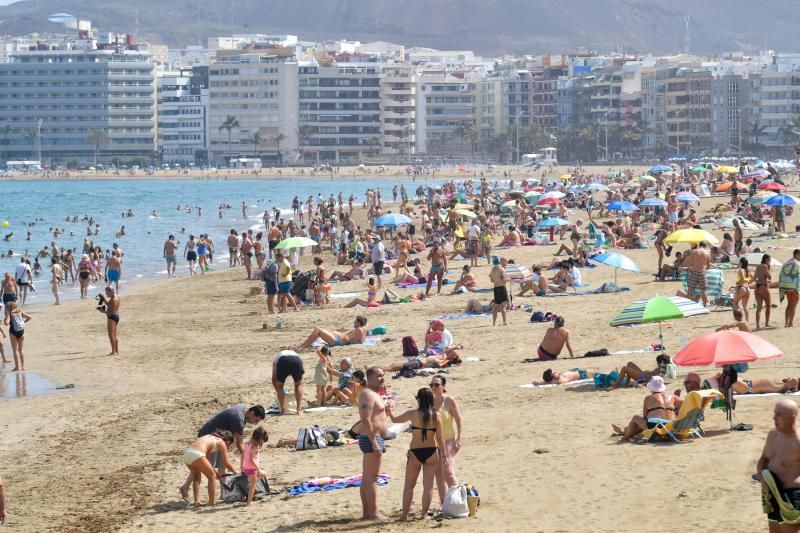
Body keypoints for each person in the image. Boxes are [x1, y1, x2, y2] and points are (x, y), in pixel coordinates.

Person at [179, 404, 266, 500]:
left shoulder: (242, 409)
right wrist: (248, 461)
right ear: (252, 412)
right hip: (209, 437)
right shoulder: (239, 419)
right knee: (204, 467)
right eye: (256, 420)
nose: (255, 423)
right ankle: (186, 487)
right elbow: (240, 444)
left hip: (223, 439)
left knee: (222, 467)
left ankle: (224, 494)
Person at [385, 387, 447, 521]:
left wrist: (389, 411)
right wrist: (444, 455)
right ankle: (424, 515)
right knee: (428, 486)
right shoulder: (437, 415)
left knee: (409, 486)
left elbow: (395, 420)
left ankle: (404, 515)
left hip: (415, 453)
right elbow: (441, 438)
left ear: (419, 399)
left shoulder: (412, 414)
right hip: (431, 452)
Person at [756, 399, 800, 531]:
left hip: (791, 496)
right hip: (771, 494)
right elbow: (763, 459)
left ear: (792, 417)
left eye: (779, 414)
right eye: (775, 413)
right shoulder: (772, 435)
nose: (774, 417)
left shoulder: (798, 441)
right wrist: (761, 476)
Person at [358, 367, 390, 521]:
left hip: (372, 438)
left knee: (366, 478)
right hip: (371, 438)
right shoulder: (368, 394)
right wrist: (374, 442)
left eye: (383, 375)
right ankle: (373, 513)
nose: (382, 378)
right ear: (369, 378)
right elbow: (366, 418)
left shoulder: (373, 394)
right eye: (378, 376)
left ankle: (366, 513)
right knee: (372, 478)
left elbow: (377, 416)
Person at [181, 430, 238, 506]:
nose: (228, 447)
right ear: (228, 441)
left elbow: (207, 460)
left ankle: (197, 502)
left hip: (187, 454)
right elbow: (226, 463)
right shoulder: (221, 442)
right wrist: (235, 472)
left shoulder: (210, 437)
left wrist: (214, 471)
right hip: (197, 454)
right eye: (229, 445)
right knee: (212, 477)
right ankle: (211, 501)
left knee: (196, 476)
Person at [612, 376, 678, 441]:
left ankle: (625, 436)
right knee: (646, 422)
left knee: (636, 418)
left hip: (655, 428)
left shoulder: (648, 398)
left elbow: (645, 416)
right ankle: (624, 431)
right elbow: (684, 404)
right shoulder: (673, 397)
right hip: (671, 427)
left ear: (651, 388)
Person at [430, 376, 463, 504]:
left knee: (448, 472)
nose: (434, 388)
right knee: (438, 473)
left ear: (443, 386)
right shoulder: (429, 402)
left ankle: (459, 500)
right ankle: (444, 503)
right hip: (434, 442)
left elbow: (459, 419)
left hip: (448, 440)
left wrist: (459, 438)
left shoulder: (449, 400)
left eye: (437, 385)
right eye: (431, 385)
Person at [297, 316, 368, 351]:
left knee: (317, 330)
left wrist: (349, 341)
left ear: (358, 323)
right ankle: (304, 345)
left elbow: (360, 341)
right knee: (320, 330)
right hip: (337, 338)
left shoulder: (359, 329)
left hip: (337, 341)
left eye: (355, 321)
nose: (353, 322)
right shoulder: (360, 329)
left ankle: (304, 346)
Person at [241, 426, 269, 506]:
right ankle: (249, 503)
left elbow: (243, 454)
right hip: (252, 468)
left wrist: (241, 465)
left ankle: (250, 484)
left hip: (247, 467)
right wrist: (258, 469)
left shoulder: (247, 444)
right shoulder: (254, 446)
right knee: (252, 487)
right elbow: (251, 458)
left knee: (263, 474)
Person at [271, 350, 304, 416]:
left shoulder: (276, 358)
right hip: (297, 361)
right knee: (298, 385)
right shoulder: (296, 354)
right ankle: (298, 410)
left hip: (283, 360)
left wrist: (278, 391)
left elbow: (273, 378)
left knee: (279, 386)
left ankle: (283, 411)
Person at [682, 241, 711, 306]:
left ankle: (688, 305)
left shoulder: (693, 252)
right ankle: (705, 306)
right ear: (705, 246)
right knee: (703, 291)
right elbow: (708, 266)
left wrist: (690, 270)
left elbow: (689, 264)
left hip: (694, 272)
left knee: (690, 291)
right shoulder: (707, 253)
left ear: (699, 245)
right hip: (702, 273)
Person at [4, 302, 30, 371]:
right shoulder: (19, 312)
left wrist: (5, 320)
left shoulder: (10, 314)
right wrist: (23, 322)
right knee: (21, 350)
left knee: (15, 350)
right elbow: (29, 317)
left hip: (13, 332)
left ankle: (17, 367)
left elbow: (6, 323)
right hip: (21, 331)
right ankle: (23, 366)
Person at [780, 250, 800, 328]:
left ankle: (786, 323)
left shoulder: (786, 263)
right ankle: (790, 323)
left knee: (789, 305)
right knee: (793, 305)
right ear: (796, 254)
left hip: (786, 287)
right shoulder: (797, 263)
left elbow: (781, 274)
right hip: (795, 287)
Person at [98, 287, 120, 356]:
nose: (106, 294)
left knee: (111, 335)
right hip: (116, 316)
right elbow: (109, 305)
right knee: (115, 335)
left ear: (111, 292)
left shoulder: (113, 300)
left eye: (107, 293)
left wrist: (103, 311)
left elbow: (110, 312)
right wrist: (103, 299)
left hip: (112, 318)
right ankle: (117, 351)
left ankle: (113, 352)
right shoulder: (117, 296)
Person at [756, 254, 773, 329]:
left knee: (759, 307)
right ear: (766, 260)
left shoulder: (758, 266)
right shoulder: (765, 266)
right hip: (763, 286)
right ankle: (766, 323)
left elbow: (755, 277)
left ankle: (758, 325)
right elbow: (769, 276)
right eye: (769, 260)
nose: (770, 261)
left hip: (757, 287)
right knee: (768, 306)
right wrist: (769, 267)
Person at [489, 259, 509, 326]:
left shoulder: (493, 269)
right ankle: (505, 322)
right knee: (503, 306)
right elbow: (503, 280)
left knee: (496, 307)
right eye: (506, 261)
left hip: (495, 288)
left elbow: (491, 280)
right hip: (502, 287)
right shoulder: (501, 269)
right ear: (502, 261)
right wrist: (508, 279)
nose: (506, 263)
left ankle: (494, 323)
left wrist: (497, 280)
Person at [734, 256, 752, 323]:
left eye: (739, 262)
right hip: (747, 288)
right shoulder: (748, 270)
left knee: (735, 303)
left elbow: (742, 278)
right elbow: (752, 278)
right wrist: (748, 281)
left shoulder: (741, 270)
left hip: (741, 288)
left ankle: (739, 319)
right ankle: (747, 321)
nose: (738, 263)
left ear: (741, 263)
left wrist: (741, 281)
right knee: (745, 306)